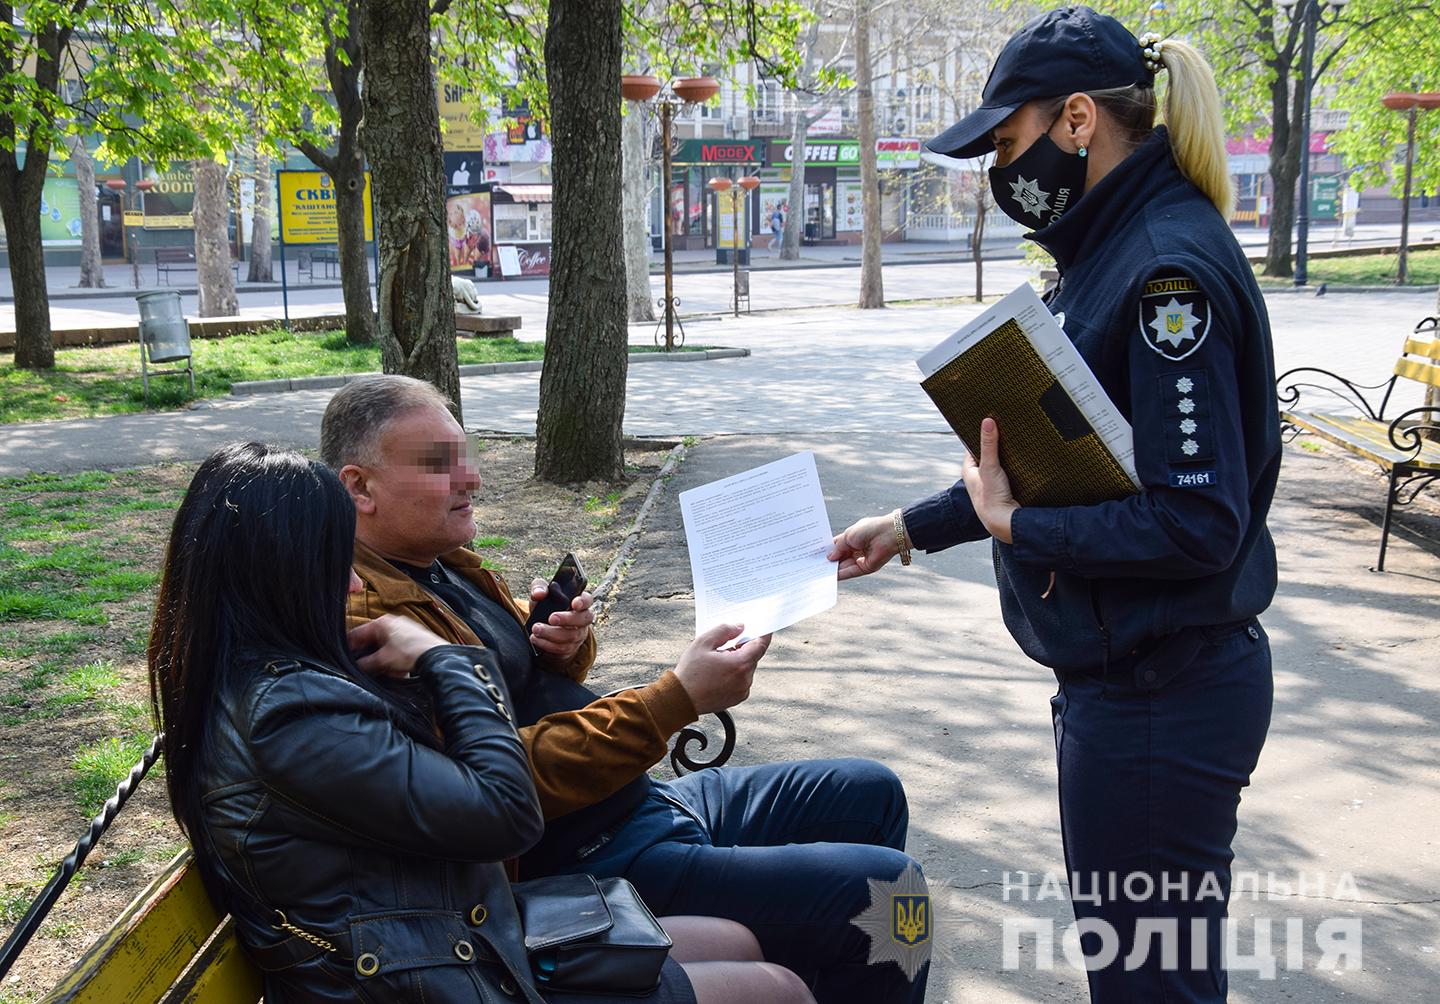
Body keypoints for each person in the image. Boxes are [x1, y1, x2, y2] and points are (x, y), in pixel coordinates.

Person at [829, 7, 1278, 1002]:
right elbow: (1065, 461)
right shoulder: (1107, 251)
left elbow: (1198, 521)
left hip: (1163, 699)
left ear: (1080, 120)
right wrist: (913, 526)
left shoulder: (1165, 273)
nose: (999, 168)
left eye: (1006, 139)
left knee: (1152, 984)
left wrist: (1017, 528)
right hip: (1132, 688)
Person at [322, 376, 931, 1004]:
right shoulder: (366, 619)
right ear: (359, 486)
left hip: (638, 802)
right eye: (437, 464)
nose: (470, 478)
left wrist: (559, 649)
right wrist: (677, 699)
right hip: (585, 862)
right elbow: (488, 781)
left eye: (465, 455)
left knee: (869, 792)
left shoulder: (442, 561)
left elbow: (517, 693)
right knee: (889, 894)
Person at [148, 442, 815, 1004]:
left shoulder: (270, 680)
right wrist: (449, 661)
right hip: (426, 978)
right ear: (282, 575)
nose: (355, 586)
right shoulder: (287, 718)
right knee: (778, 989)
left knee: (738, 942)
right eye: (334, 563)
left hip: (443, 937)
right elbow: (507, 812)